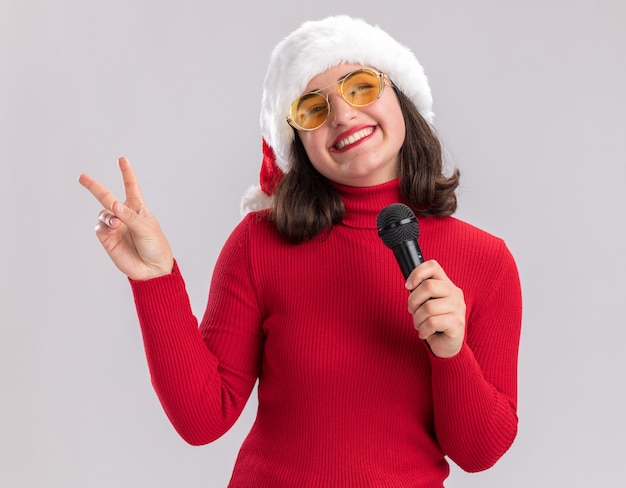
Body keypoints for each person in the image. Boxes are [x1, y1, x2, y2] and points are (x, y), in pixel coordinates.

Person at [79, 15, 522, 488]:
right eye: (313, 108)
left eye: (361, 87)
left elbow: (479, 452)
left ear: (403, 99)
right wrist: (155, 279)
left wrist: (451, 352)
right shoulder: (258, 243)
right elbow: (203, 419)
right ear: (297, 143)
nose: (343, 114)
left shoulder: (486, 260)